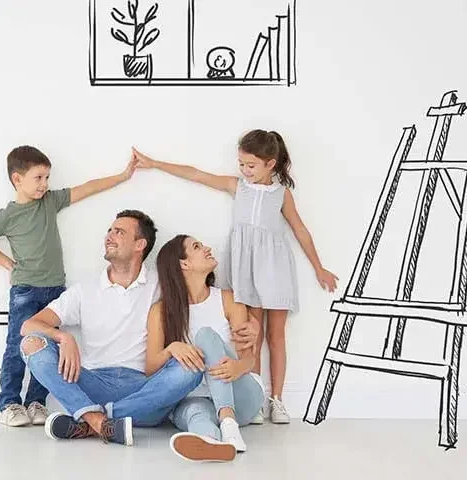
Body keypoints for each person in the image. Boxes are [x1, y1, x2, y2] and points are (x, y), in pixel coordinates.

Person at [132, 129, 338, 424]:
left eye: (251, 165)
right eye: (241, 164)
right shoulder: (237, 187)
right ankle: (252, 398)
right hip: (245, 267)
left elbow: (299, 229)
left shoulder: (282, 194)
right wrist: (155, 163)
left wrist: (319, 267)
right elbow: (196, 175)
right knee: (249, 334)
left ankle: (276, 399)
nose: (244, 170)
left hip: (274, 266)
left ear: (271, 163)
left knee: (276, 335)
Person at [19, 210, 260, 445]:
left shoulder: (162, 283)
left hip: (147, 388)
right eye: (109, 231)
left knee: (193, 363)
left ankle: (89, 423)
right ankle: (97, 421)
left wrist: (254, 324)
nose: (109, 236)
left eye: (119, 232)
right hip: (94, 382)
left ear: (139, 244)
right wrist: (62, 337)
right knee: (31, 344)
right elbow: (30, 325)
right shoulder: (84, 291)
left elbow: (202, 297)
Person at [0, 145, 137, 427]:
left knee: (48, 346)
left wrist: (123, 176)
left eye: (47, 178)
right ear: (17, 179)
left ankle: (36, 402)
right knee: (17, 346)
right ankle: (10, 403)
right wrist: (8, 264)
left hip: (55, 290)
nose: (45, 184)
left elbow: (88, 188)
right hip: (25, 290)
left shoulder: (50, 202)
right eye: (38, 178)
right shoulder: (8, 215)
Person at [146, 234, 265, 462]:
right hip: (195, 398)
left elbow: (249, 358)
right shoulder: (160, 312)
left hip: (240, 396)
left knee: (205, 336)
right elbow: (150, 368)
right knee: (195, 414)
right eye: (197, 247)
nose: (207, 248)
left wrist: (237, 368)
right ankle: (212, 443)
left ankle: (228, 423)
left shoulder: (228, 300)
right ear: (184, 263)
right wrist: (172, 348)